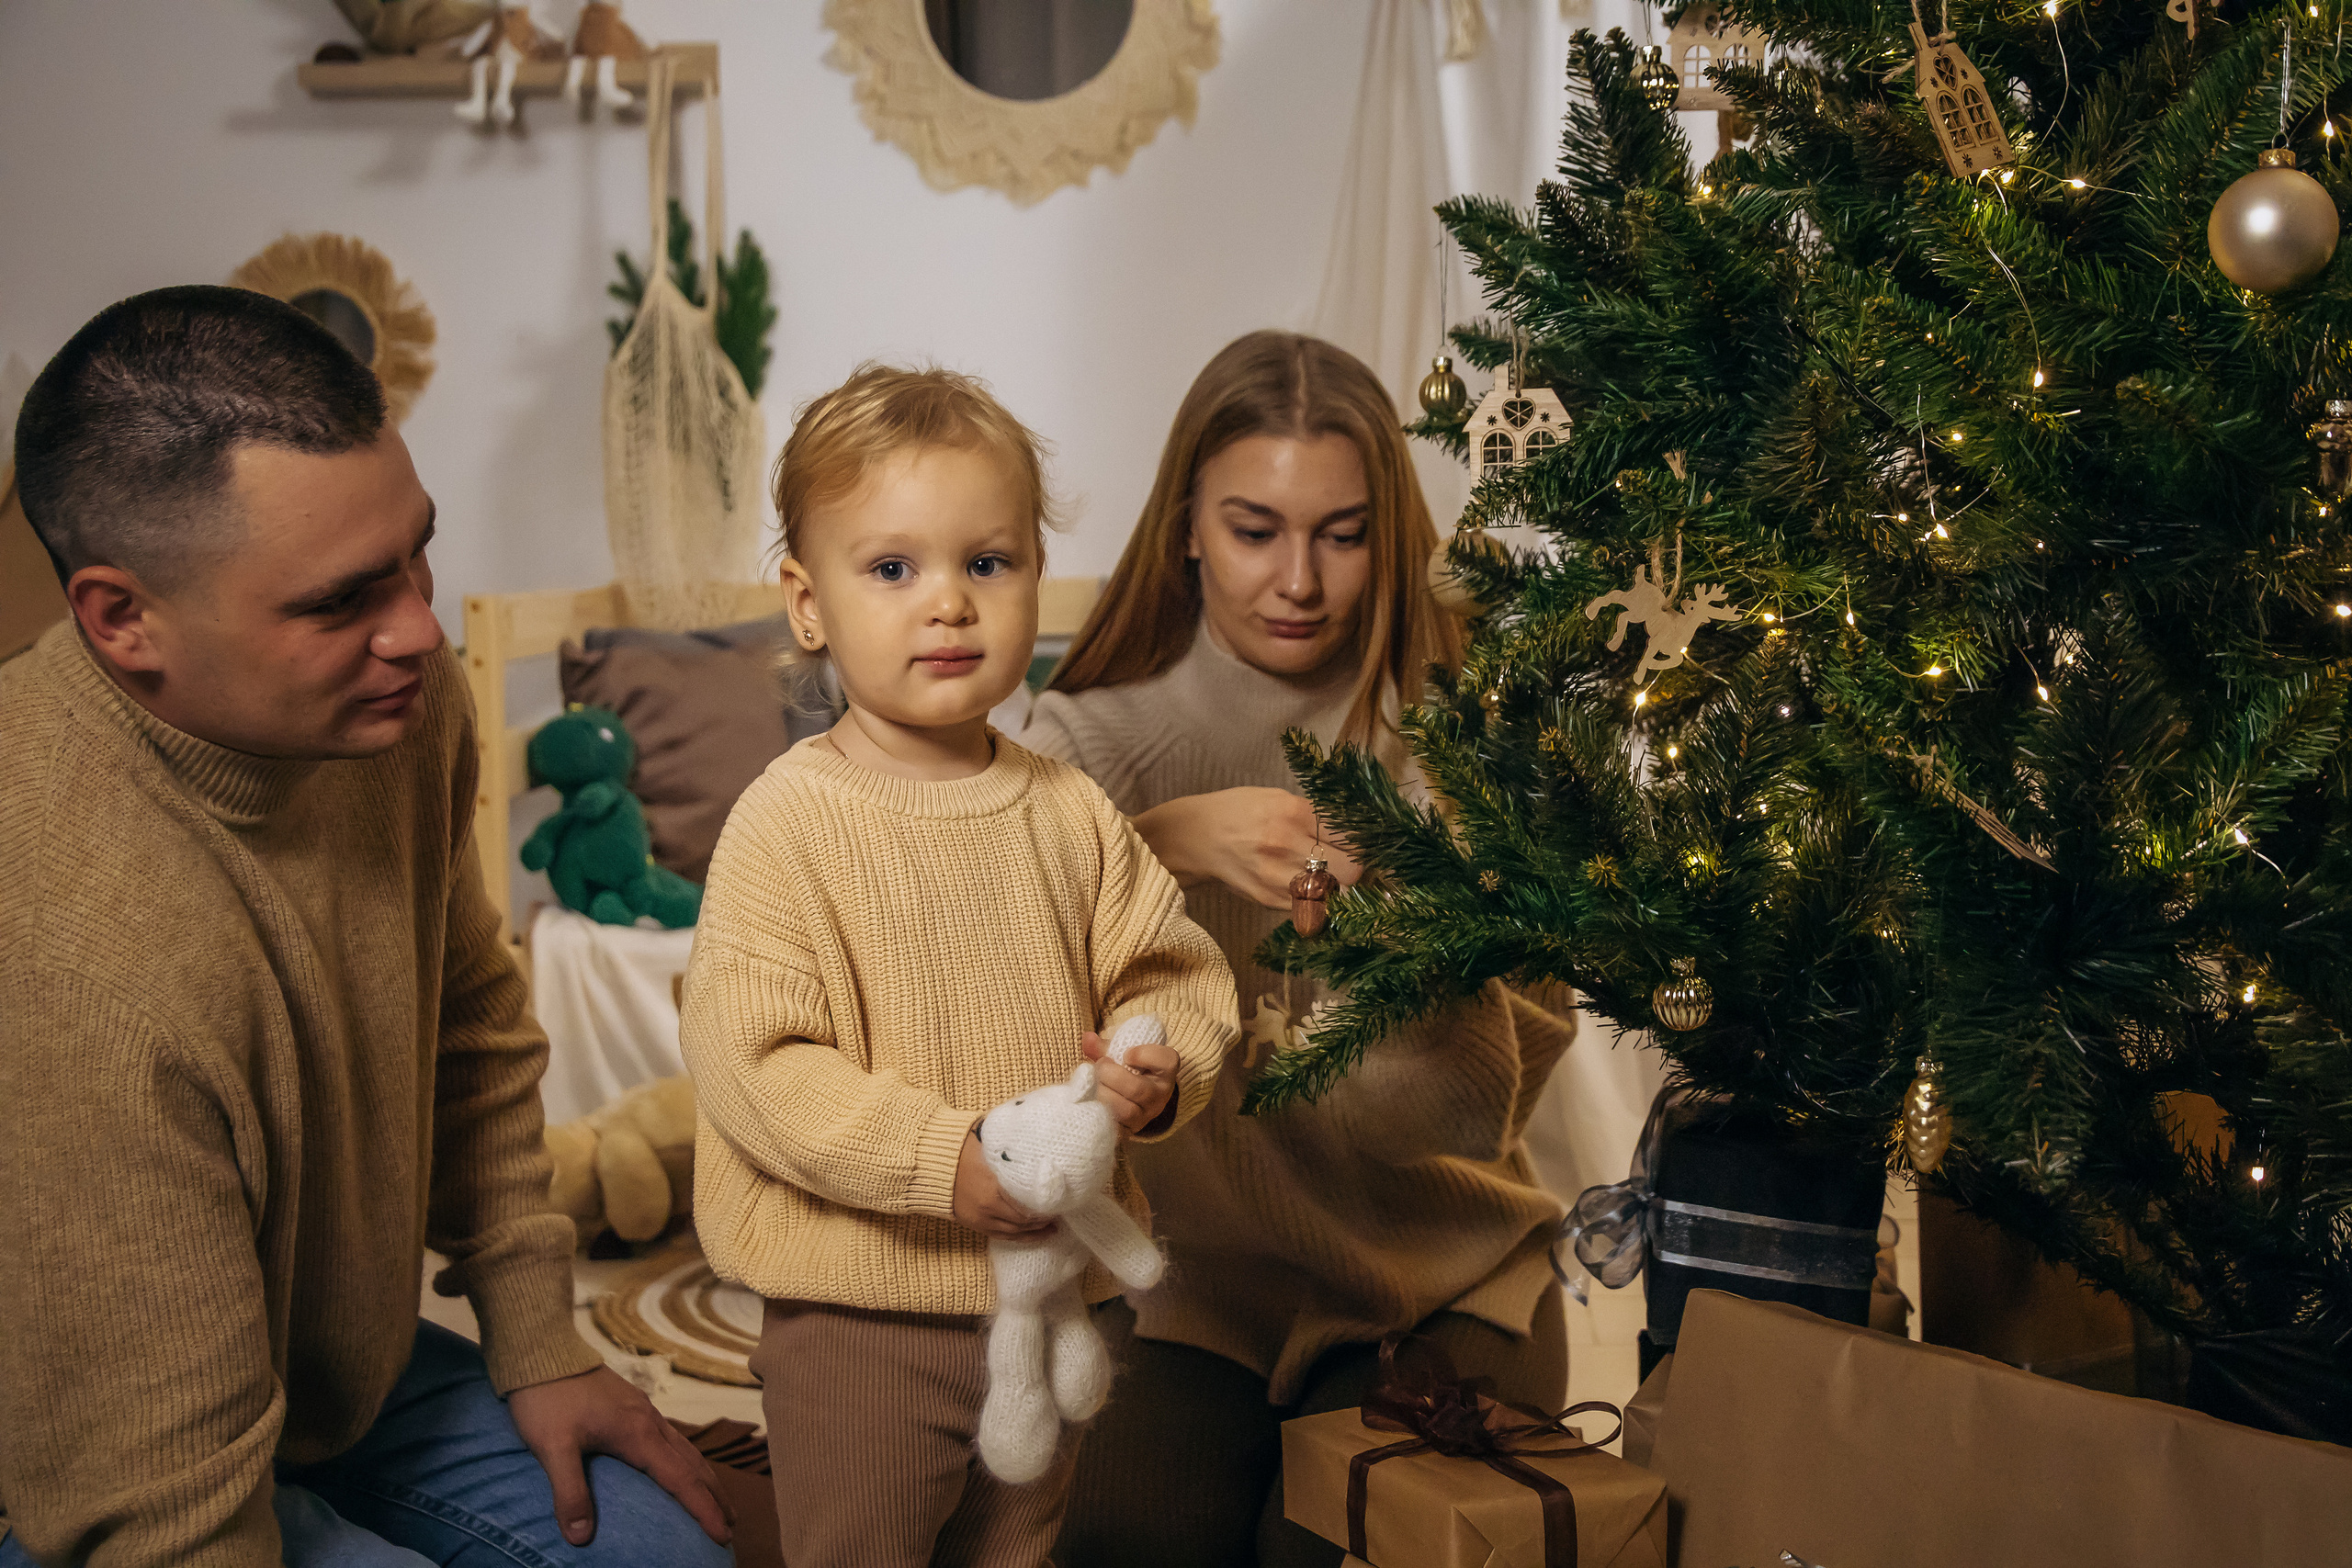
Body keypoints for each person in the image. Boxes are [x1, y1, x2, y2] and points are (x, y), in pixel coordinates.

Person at [0, 288, 733, 1568]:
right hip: (83, 1454)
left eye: (418, 553)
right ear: (124, 622)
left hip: (324, 1372)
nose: (417, 630)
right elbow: (167, 1521)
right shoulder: (69, 945)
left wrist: (537, 1337)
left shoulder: (394, 713)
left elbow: (468, 1020)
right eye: (339, 602)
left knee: (664, 1554)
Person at [1024, 330, 1578, 1568]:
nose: (1300, 582)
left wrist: (1423, 924)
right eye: (1254, 528)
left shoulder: (1466, 726)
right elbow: (1005, 1012)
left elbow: (1486, 1088)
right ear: (1185, 528)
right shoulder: (1089, 739)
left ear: (1393, 533)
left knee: (1330, 1550)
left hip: (1438, 1275)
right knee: (1113, 1539)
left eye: (1341, 532)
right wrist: (1157, 842)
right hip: (1187, 1297)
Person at [676, 364, 1238, 1568]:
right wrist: (944, 1164)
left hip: (1049, 1300)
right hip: (863, 1316)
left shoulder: (1068, 808)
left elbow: (1172, 970)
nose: (949, 604)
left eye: (988, 564)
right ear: (806, 601)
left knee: (1020, 1550)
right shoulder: (790, 823)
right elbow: (757, 1069)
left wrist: (1154, 1061)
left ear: (1037, 572)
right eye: (893, 569)